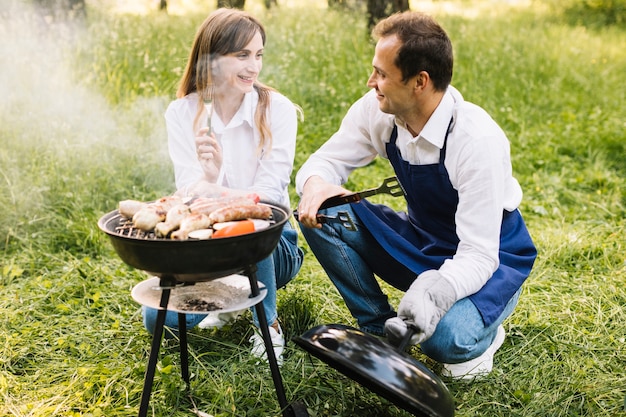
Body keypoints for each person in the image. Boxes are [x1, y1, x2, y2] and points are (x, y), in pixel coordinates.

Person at [296, 11, 537, 379]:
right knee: (323, 210)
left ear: (419, 82)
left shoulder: (476, 141)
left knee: (443, 342)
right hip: (424, 240)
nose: (370, 81)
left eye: (382, 74)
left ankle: (485, 332)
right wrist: (316, 186)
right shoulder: (379, 111)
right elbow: (325, 160)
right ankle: (378, 330)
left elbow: (478, 254)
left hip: (490, 257)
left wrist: (437, 289)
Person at [142, 8, 304, 365]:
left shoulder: (276, 109)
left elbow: (271, 200)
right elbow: (187, 192)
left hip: (273, 249)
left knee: (252, 229)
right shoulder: (182, 113)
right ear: (212, 60)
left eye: (258, 55)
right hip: (208, 246)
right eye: (242, 55)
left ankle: (269, 325)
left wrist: (214, 195)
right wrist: (210, 180)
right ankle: (230, 297)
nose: (254, 66)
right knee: (158, 319)